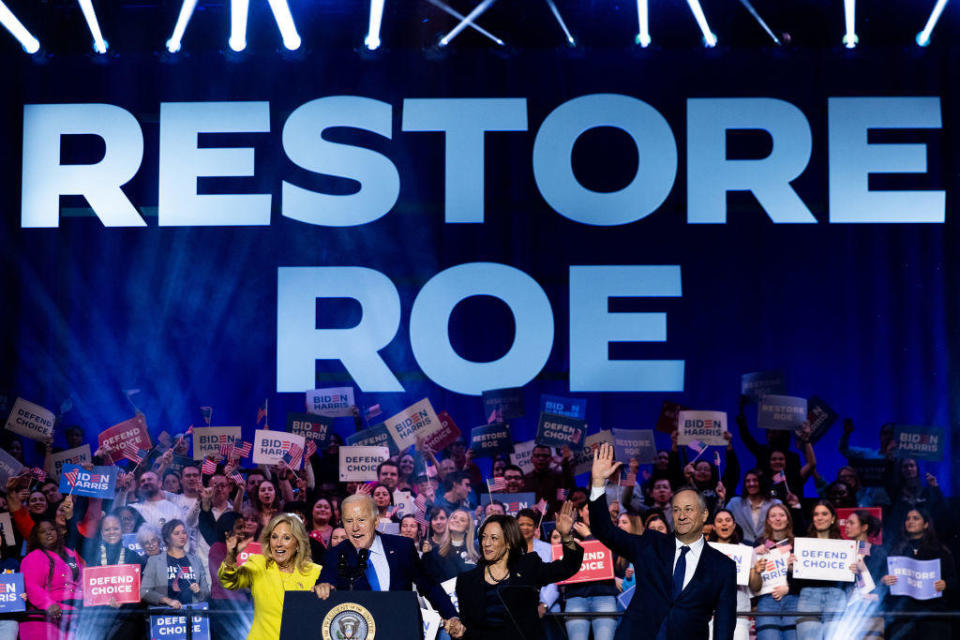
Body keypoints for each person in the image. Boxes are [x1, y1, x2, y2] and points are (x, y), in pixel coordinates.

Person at [589, 443, 737, 640]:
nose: (682, 515)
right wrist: (598, 482)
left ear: (704, 515)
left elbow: (724, 626)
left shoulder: (723, 566)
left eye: (689, 509)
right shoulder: (650, 544)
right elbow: (604, 530)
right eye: (676, 510)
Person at [313, 494, 462, 634]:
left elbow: (429, 585)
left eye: (362, 520)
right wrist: (323, 586)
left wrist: (451, 616)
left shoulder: (402, 548)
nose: (355, 527)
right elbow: (325, 581)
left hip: (402, 630)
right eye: (349, 521)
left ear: (376, 520)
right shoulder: (336, 554)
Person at [454, 503, 583, 640]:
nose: (486, 543)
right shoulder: (467, 580)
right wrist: (458, 632)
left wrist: (566, 536)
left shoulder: (528, 567)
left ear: (509, 542)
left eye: (494, 538)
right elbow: (466, 628)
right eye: (484, 537)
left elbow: (568, 567)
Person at [218, 512, 320, 639]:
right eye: (274, 537)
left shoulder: (315, 572)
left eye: (286, 538)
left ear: (298, 543)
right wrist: (230, 556)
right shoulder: (258, 564)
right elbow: (229, 581)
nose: (278, 543)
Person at [881, 508, 956, 640]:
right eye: (908, 518)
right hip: (903, 614)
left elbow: (953, 580)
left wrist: (945, 584)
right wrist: (884, 580)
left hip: (932, 614)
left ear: (926, 524)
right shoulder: (896, 549)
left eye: (916, 518)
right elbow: (882, 578)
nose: (910, 521)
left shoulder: (939, 550)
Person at [21, 518, 83, 640]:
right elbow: (31, 586)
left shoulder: (70, 553)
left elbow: (82, 581)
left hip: (75, 616)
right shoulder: (34, 556)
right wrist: (48, 604)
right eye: (43, 532)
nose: (49, 533)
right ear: (37, 537)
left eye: (51, 529)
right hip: (47, 619)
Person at [794, 501, 845, 640]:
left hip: (836, 596)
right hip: (808, 596)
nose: (819, 518)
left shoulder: (844, 546)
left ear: (833, 518)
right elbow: (797, 578)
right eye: (816, 514)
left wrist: (852, 568)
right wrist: (792, 566)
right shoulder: (803, 544)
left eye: (824, 514)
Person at [748, 504, 798, 640]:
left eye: (782, 515)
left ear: (788, 520)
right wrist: (752, 554)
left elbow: (806, 577)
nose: (777, 519)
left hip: (793, 599)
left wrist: (789, 588)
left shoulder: (797, 544)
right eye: (773, 516)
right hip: (766, 600)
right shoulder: (758, 544)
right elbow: (751, 577)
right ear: (768, 521)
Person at [140, 519, 209, 609]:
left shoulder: (196, 560)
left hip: (193, 616)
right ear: (167, 539)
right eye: (176, 533)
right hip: (165, 617)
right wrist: (167, 601)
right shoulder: (154, 561)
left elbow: (206, 594)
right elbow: (144, 591)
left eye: (184, 532)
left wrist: (199, 591)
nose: (182, 536)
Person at [707, 509, 750, 640]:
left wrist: (756, 571)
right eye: (719, 521)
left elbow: (756, 586)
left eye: (728, 520)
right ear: (713, 527)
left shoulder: (746, 551)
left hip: (739, 613)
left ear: (734, 525)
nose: (724, 524)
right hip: (710, 613)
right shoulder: (704, 551)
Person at [725, 469, 781, 545]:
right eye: (748, 481)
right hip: (742, 550)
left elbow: (783, 530)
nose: (751, 484)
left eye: (755, 480)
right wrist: (721, 500)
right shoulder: (735, 503)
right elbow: (721, 519)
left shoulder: (775, 504)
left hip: (768, 550)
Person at [423, 507, 479, 582]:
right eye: (454, 518)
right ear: (449, 522)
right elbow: (428, 580)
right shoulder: (436, 552)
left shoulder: (477, 551)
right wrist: (426, 556)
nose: (456, 521)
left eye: (462, 520)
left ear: (467, 528)